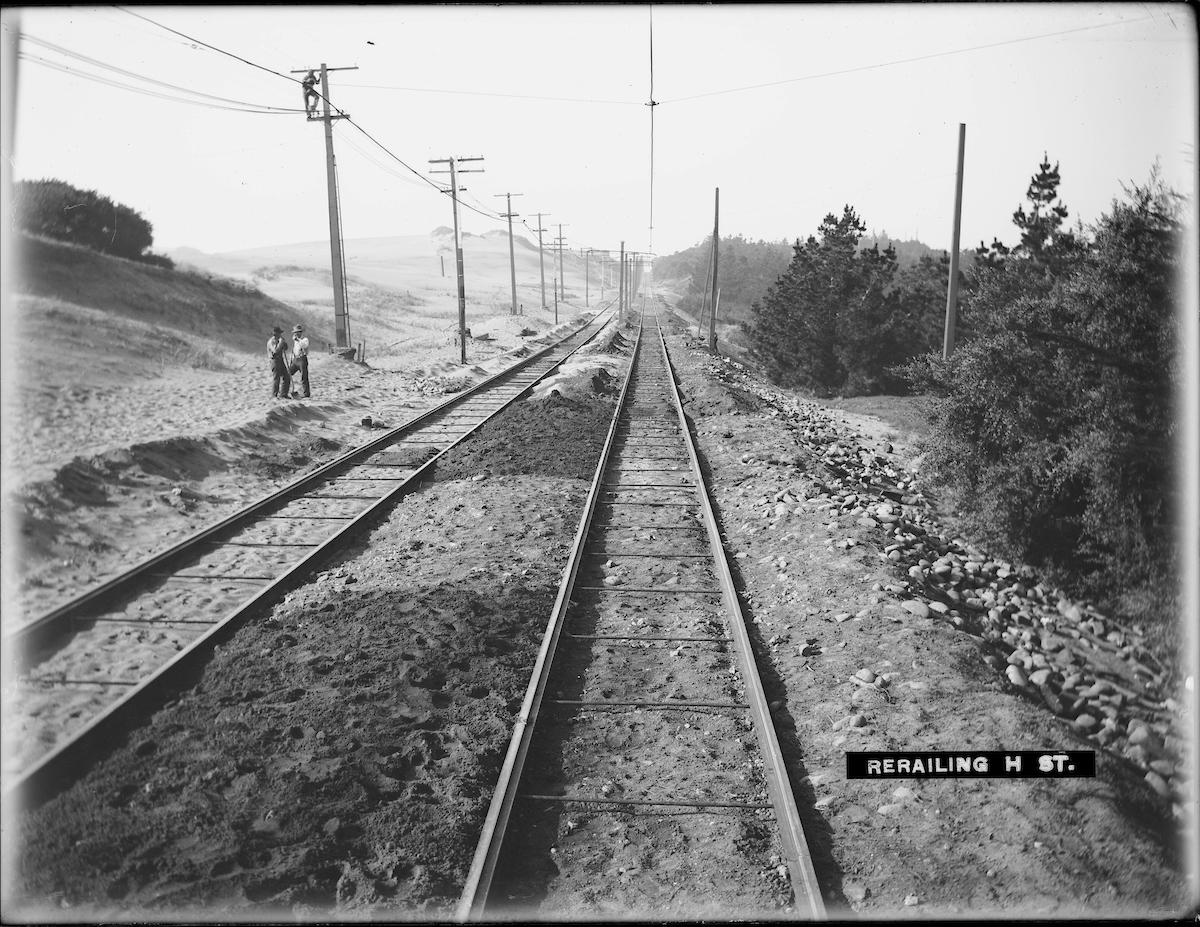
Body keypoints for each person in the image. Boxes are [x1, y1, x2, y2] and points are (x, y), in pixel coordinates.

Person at [267, 326, 292, 399]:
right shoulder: (271, 342)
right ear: (275, 333)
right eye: (279, 333)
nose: (280, 334)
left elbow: (286, 348)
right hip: (274, 360)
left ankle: (283, 394)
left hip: (280, 360)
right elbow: (275, 350)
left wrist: (284, 343)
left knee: (286, 376)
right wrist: (281, 343)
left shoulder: (280, 340)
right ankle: (274, 395)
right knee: (276, 378)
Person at [291, 324, 310, 398]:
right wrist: (293, 358)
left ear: (301, 332)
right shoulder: (295, 341)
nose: (296, 334)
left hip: (302, 359)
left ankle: (306, 393)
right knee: (288, 374)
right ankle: (287, 391)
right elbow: (295, 349)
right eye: (295, 332)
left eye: (298, 332)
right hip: (296, 359)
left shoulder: (305, 339)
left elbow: (304, 346)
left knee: (304, 377)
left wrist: (298, 340)